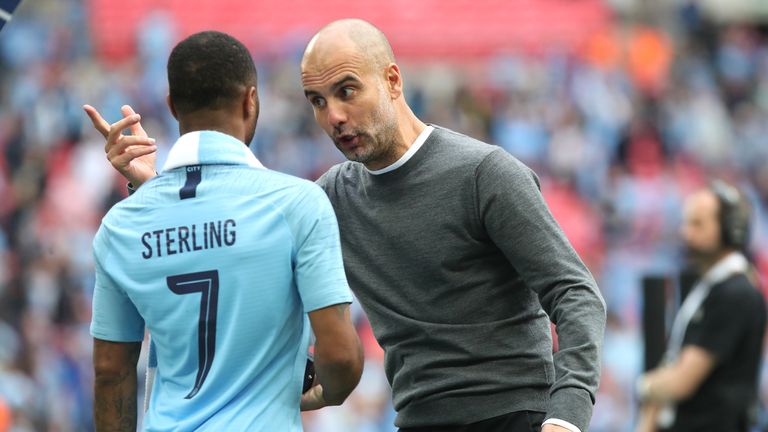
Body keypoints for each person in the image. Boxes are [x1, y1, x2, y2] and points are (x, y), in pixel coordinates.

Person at [88, 19, 606, 432]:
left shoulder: (484, 174)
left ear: (393, 80)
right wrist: (150, 187)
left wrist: (566, 416)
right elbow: (226, 241)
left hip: (515, 415)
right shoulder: (329, 195)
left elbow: (576, 294)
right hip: (418, 419)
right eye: (317, 101)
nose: (332, 115)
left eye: (346, 91)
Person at [85, 31, 362, 432]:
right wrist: (326, 393)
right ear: (251, 100)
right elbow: (340, 357)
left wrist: (151, 190)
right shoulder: (297, 203)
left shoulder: (122, 225)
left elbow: (110, 372)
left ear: (172, 107)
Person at [635, 181, 766, 432]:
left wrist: (645, 386)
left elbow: (683, 381)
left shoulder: (735, 293)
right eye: (686, 223)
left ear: (731, 230)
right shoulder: (716, 285)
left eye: (698, 224)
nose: (686, 233)